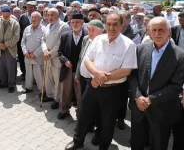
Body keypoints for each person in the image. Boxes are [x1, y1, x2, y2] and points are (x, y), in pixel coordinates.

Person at [65, 13, 137, 150]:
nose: (111, 27)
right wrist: (97, 74)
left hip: (113, 90)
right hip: (92, 86)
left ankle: (104, 146)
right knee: (84, 114)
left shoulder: (129, 45)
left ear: (122, 25)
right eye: (109, 24)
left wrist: (103, 78)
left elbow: (126, 70)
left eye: (115, 24)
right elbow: (87, 59)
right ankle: (77, 141)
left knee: (107, 121)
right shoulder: (98, 39)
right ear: (105, 25)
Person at [129, 17, 184, 150]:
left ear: (169, 31)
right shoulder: (140, 49)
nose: (157, 33)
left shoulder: (180, 55)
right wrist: (137, 96)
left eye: (161, 30)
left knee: (159, 143)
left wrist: (150, 99)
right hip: (138, 105)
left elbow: (175, 86)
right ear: (149, 31)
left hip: (162, 109)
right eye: (154, 30)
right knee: (136, 141)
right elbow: (132, 75)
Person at [57, 13, 87, 120]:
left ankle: (81, 113)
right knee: (65, 91)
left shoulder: (87, 36)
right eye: (72, 22)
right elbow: (60, 52)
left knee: (80, 94)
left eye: (77, 22)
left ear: (82, 23)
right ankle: (64, 110)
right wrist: (64, 61)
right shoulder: (65, 35)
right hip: (67, 69)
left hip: (82, 71)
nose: (74, 24)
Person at [74, 20, 105, 112]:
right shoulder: (86, 38)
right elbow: (81, 57)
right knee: (82, 98)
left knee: (91, 102)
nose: (90, 32)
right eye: (89, 29)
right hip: (83, 76)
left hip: (93, 79)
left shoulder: (103, 42)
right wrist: (77, 74)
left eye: (93, 30)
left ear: (101, 31)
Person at [42, 8, 69, 108]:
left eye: (52, 15)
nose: (49, 17)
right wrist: (45, 50)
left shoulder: (64, 26)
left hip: (56, 57)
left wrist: (50, 53)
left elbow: (61, 43)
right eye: (48, 15)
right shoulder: (47, 26)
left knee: (57, 80)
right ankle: (50, 95)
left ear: (58, 15)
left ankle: (57, 99)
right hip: (47, 56)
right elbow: (42, 40)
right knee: (48, 78)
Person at [0, 5, 20, 93]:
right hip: (0, 48)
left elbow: (16, 37)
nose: (5, 17)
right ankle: (4, 82)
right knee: (2, 66)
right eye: (3, 15)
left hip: (10, 48)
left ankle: (11, 84)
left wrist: (6, 44)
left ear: (10, 14)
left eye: (7, 15)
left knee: (11, 67)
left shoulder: (15, 23)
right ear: (1, 14)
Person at [21, 11, 45, 94]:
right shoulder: (27, 28)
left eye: (35, 17)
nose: (33, 19)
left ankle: (42, 91)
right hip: (27, 56)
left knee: (39, 75)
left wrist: (35, 54)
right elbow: (23, 41)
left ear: (40, 19)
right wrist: (25, 52)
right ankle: (28, 87)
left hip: (38, 57)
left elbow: (44, 44)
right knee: (28, 73)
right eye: (32, 17)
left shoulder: (44, 30)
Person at [18, 1, 36, 81]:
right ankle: (24, 74)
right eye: (28, 7)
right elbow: (19, 30)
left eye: (31, 7)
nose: (30, 9)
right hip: (24, 42)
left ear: (35, 8)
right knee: (23, 58)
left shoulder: (38, 17)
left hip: (35, 43)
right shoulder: (23, 17)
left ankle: (34, 77)